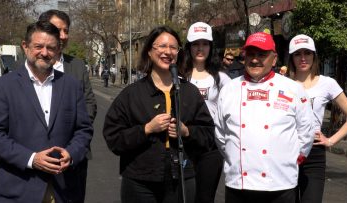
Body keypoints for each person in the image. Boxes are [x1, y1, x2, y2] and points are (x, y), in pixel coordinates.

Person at [103, 26, 215, 203]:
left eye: (173, 47)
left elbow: (208, 135)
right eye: (161, 46)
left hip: (181, 180)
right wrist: (146, 129)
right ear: (149, 51)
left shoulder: (189, 92)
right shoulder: (132, 94)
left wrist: (186, 132)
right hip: (140, 182)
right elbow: (113, 138)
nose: (168, 52)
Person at [0, 21, 93, 202]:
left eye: (51, 48)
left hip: (64, 189)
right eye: (38, 46)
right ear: (25, 46)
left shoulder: (71, 85)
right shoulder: (2, 86)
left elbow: (84, 130)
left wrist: (71, 154)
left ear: (58, 49)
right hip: (19, 189)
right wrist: (31, 158)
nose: (45, 53)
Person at [215, 32, 315, 202]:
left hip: (280, 183)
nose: (255, 60)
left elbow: (306, 131)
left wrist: (287, 161)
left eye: (262, 54)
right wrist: (234, 158)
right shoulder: (229, 89)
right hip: (239, 183)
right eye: (251, 54)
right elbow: (220, 134)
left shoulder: (293, 89)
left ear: (274, 59)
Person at [38, 9, 97, 201]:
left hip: (73, 157)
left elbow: (89, 104)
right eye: (58, 30)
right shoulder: (24, 67)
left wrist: (73, 143)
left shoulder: (77, 66)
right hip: (36, 157)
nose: (63, 36)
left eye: (66, 31)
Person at [288, 34, 347, 203]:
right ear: (291, 57)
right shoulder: (282, 83)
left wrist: (331, 141)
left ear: (314, 56)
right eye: (297, 54)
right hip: (285, 152)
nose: (303, 58)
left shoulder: (327, 83)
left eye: (307, 53)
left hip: (314, 154)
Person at [183, 21, 231, 203]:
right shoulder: (179, 76)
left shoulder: (222, 78)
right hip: (184, 143)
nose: (200, 48)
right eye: (195, 44)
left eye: (204, 44)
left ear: (211, 46)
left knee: (205, 197)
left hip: (211, 147)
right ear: (189, 47)